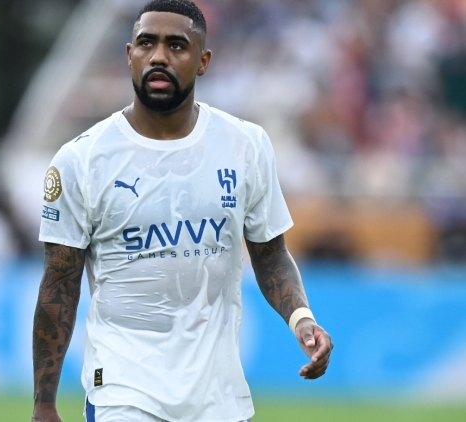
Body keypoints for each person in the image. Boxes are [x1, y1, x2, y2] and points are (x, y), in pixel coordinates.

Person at [32, 1, 333, 421]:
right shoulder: (81, 160)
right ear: (129, 55)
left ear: (203, 61)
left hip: (218, 398)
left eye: (176, 45)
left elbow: (270, 254)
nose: (159, 56)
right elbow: (59, 285)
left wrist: (301, 318)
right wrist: (44, 402)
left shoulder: (245, 145)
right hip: (123, 393)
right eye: (146, 43)